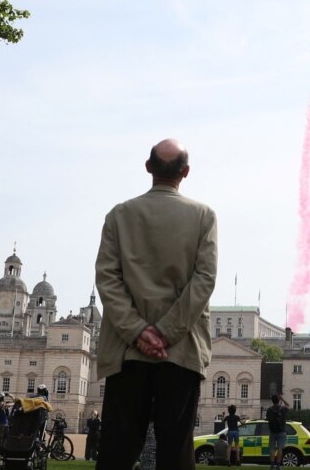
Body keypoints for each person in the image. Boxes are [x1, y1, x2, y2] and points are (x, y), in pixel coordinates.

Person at [94, 139, 217, 470]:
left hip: (126, 350)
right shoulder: (203, 216)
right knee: (176, 449)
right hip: (181, 350)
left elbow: (107, 279)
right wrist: (165, 333)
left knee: (117, 450)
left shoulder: (119, 215)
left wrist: (138, 332)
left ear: (148, 168)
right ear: (185, 172)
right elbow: (204, 281)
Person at [266, 393, 290, 470]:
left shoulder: (269, 409)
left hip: (272, 431)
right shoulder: (282, 408)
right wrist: (282, 399)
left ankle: (272, 464)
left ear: (272, 401)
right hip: (281, 431)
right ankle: (278, 465)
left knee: (272, 448)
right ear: (278, 400)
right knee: (280, 448)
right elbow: (288, 405)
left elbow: (267, 419)